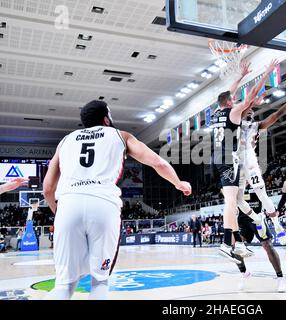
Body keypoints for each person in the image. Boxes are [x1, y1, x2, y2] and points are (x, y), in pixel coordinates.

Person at [42, 100, 191, 300]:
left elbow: (47, 188)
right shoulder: (120, 135)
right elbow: (157, 161)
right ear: (106, 118)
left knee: (64, 284)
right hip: (103, 205)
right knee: (100, 281)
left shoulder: (66, 141)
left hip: (68, 203)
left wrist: (58, 211)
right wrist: (178, 182)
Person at [211, 59, 279, 262]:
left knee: (233, 201)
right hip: (229, 158)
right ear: (230, 102)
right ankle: (226, 243)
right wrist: (266, 72)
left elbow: (227, 94)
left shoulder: (216, 113)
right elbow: (250, 96)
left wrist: (240, 77)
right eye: (233, 98)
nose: (234, 99)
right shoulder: (233, 112)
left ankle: (238, 243)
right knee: (231, 201)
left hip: (217, 158)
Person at [236, 90, 286, 245]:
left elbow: (278, 114)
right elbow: (241, 107)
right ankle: (257, 218)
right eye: (249, 110)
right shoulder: (234, 122)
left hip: (249, 159)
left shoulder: (256, 126)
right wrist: (252, 101)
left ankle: (278, 226)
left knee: (261, 193)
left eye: (253, 112)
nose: (251, 113)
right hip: (235, 163)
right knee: (238, 200)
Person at [232, 209, 286, 293]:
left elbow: (264, 198)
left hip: (256, 217)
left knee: (267, 245)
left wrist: (275, 219)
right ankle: (244, 273)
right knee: (235, 247)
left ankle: (280, 278)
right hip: (242, 219)